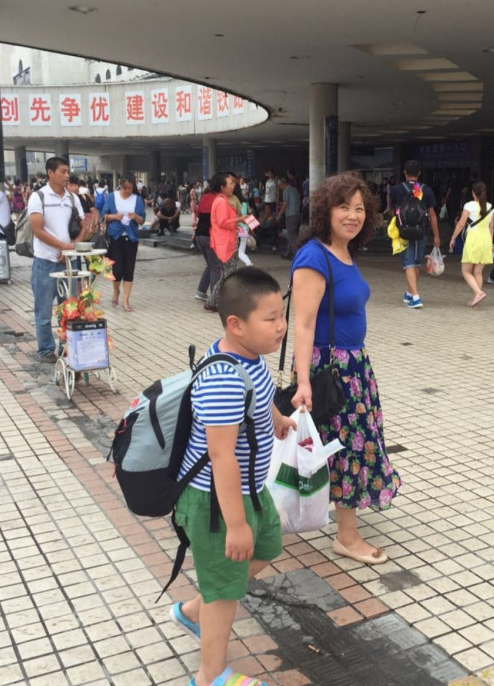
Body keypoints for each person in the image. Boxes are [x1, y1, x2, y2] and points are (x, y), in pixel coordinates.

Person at [171, 267, 296, 686]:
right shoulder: (223, 379)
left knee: (267, 546)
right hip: (216, 501)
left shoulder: (249, 358)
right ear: (236, 324)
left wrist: (276, 418)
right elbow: (221, 456)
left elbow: (258, 395)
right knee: (225, 589)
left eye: (282, 315)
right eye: (271, 318)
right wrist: (237, 524)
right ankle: (210, 675)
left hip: (249, 489)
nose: (281, 326)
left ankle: (194, 610)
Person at [290, 171, 401, 565]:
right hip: (329, 370)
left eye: (359, 208)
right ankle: (347, 536)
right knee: (346, 447)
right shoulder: (314, 256)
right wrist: (303, 381)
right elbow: (303, 324)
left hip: (354, 366)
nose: (353, 215)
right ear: (326, 210)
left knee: (348, 444)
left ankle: (341, 521)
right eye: (343, 207)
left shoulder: (344, 253)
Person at [26, 157, 90, 362]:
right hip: (45, 262)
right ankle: (46, 349)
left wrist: (72, 248)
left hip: (69, 263)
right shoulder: (38, 197)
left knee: (69, 308)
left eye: (67, 171)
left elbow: (85, 227)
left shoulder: (73, 198)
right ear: (50, 173)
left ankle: (66, 347)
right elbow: (38, 230)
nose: (67, 175)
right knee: (43, 310)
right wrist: (63, 246)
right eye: (62, 171)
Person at [389, 159, 440, 308]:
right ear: (419, 173)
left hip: (403, 232)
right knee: (416, 263)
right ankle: (410, 293)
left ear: (404, 172)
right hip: (421, 231)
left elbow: (392, 209)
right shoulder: (426, 190)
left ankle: (416, 297)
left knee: (408, 264)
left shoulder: (397, 189)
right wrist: (436, 235)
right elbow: (432, 215)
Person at [102, 173, 146, 312]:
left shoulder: (137, 199)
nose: (127, 191)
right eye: (125, 188)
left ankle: (125, 301)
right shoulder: (112, 197)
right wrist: (115, 216)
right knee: (117, 270)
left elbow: (142, 220)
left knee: (129, 270)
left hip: (131, 238)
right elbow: (104, 216)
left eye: (130, 188)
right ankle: (116, 290)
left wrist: (136, 217)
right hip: (115, 237)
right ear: (121, 185)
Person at [448, 180, 494, 307]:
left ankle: (478, 293)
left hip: (473, 239)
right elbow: (491, 227)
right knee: (478, 272)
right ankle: (476, 298)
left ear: (473, 193)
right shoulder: (490, 207)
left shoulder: (469, 205)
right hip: (486, 239)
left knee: (466, 271)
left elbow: (461, 224)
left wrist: (453, 238)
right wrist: (490, 244)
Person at [204, 172, 244, 313]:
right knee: (230, 275)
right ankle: (219, 302)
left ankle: (213, 301)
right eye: (230, 184)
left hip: (226, 242)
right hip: (225, 243)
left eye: (233, 183)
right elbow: (222, 222)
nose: (233, 186)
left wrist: (239, 222)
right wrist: (240, 219)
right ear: (222, 187)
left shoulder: (222, 200)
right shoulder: (221, 201)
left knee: (228, 274)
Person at [194, 183, 220, 302]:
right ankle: (214, 297)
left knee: (210, 264)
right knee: (216, 266)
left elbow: (198, 213)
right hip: (210, 235)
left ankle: (201, 291)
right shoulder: (219, 199)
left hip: (199, 235)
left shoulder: (204, 197)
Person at [276, 177, 301, 259]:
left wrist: (279, 215)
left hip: (290, 215)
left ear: (282, 184)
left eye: (280, 186)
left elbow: (285, 204)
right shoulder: (295, 190)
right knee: (293, 234)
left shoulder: (286, 191)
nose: (280, 188)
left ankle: (296, 254)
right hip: (297, 214)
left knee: (291, 236)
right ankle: (289, 252)